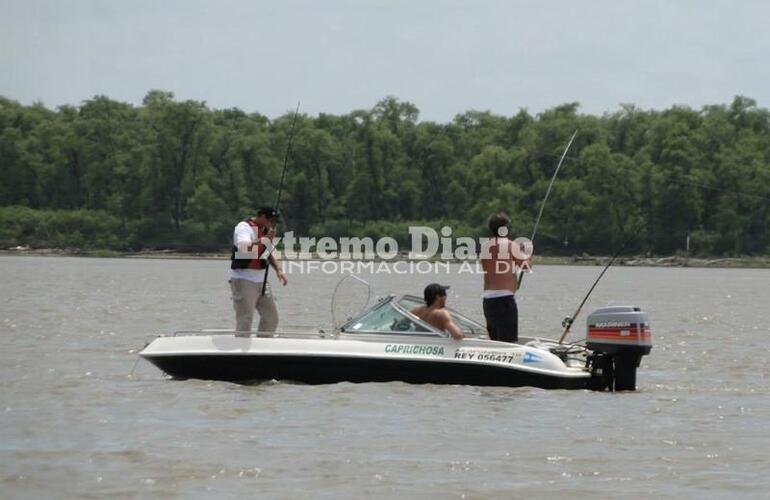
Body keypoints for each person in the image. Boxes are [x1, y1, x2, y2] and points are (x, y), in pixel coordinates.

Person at [229, 207, 288, 336]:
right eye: (269, 220)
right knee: (245, 319)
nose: (271, 224)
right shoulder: (244, 227)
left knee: (271, 318)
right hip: (244, 279)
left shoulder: (265, 231)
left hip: (261, 282)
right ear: (260, 216)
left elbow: (266, 253)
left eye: (274, 221)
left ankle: (263, 347)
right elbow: (243, 248)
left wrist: (279, 270)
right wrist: (264, 239)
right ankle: (241, 351)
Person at [479, 212, 530, 343]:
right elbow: (526, 267)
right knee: (508, 343)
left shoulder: (485, 247)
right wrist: (525, 253)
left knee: (495, 342)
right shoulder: (510, 245)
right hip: (504, 301)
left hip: (488, 301)